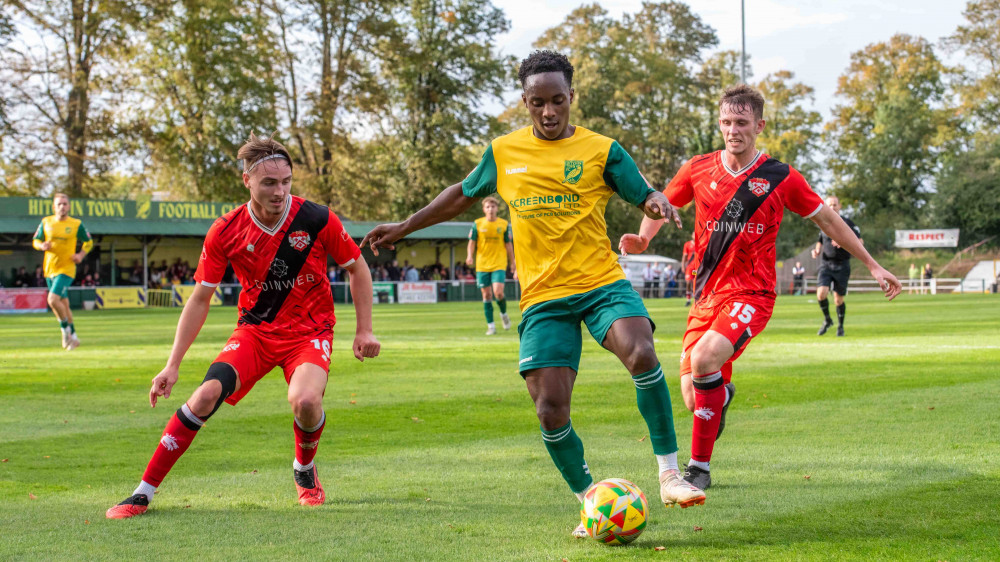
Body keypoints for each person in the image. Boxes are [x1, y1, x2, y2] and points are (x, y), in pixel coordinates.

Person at [362, 50, 705, 537]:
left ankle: (670, 473)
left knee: (643, 352)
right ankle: (589, 500)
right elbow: (461, 193)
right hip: (543, 297)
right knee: (549, 408)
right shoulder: (504, 152)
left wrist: (654, 200)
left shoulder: (602, 150)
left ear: (572, 98)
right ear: (524, 101)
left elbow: (642, 191)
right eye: (538, 102)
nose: (549, 112)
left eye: (558, 101)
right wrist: (406, 225)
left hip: (601, 283)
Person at [619, 84, 900, 491]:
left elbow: (829, 222)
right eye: (727, 122)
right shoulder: (697, 168)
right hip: (706, 297)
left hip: (753, 294)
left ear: (759, 125)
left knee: (703, 359)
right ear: (719, 123)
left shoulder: (780, 177)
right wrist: (644, 238)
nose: (733, 130)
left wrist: (873, 265)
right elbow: (660, 203)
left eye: (742, 123)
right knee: (696, 399)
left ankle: (699, 469)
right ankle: (723, 397)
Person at [106, 133, 381, 519]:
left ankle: (304, 469)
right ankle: (142, 493)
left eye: (286, 182)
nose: (279, 191)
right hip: (255, 332)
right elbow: (200, 299)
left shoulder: (317, 218)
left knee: (305, 401)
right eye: (269, 182)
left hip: (310, 332)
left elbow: (358, 268)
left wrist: (364, 329)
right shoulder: (225, 230)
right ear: (246, 181)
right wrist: (172, 364)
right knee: (203, 396)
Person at [32, 193, 93, 350]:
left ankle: (64, 330)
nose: (62, 207)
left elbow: (89, 242)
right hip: (49, 269)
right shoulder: (46, 222)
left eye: (65, 204)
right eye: (59, 204)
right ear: (54, 207)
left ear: (69, 206)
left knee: (52, 300)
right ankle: (74, 337)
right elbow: (36, 240)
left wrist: (80, 254)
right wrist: (41, 246)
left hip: (67, 269)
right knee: (63, 304)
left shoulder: (76, 224)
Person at [811, 196, 862, 337]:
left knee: (838, 299)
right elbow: (820, 240)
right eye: (829, 205)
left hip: (842, 265)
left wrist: (845, 242)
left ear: (839, 206)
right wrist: (816, 250)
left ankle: (840, 326)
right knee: (821, 293)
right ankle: (827, 320)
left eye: (834, 204)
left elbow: (860, 241)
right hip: (826, 264)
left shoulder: (848, 223)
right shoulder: (822, 222)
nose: (832, 207)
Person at [466, 197, 515, 335]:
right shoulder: (477, 224)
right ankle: (491, 326)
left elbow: (508, 245)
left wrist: (513, 262)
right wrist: (469, 255)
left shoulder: (504, 224)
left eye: (493, 207)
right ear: (484, 209)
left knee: (498, 292)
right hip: (482, 265)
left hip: (499, 263)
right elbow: (472, 242)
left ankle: (504, 314)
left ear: (497, 209)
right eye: (487, 207)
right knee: (486, 295)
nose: (490, 209)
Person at [681, 233, 696, 306]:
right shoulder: (687, 244)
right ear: (691, 235)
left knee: (694, 282)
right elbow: (684, 256)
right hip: (689, 267)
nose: (695, 236)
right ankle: (688, 299)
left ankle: (696, 299)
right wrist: (683, 266)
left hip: (696, 268)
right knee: (688, 282)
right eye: (693, 234)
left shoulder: (700, 243)